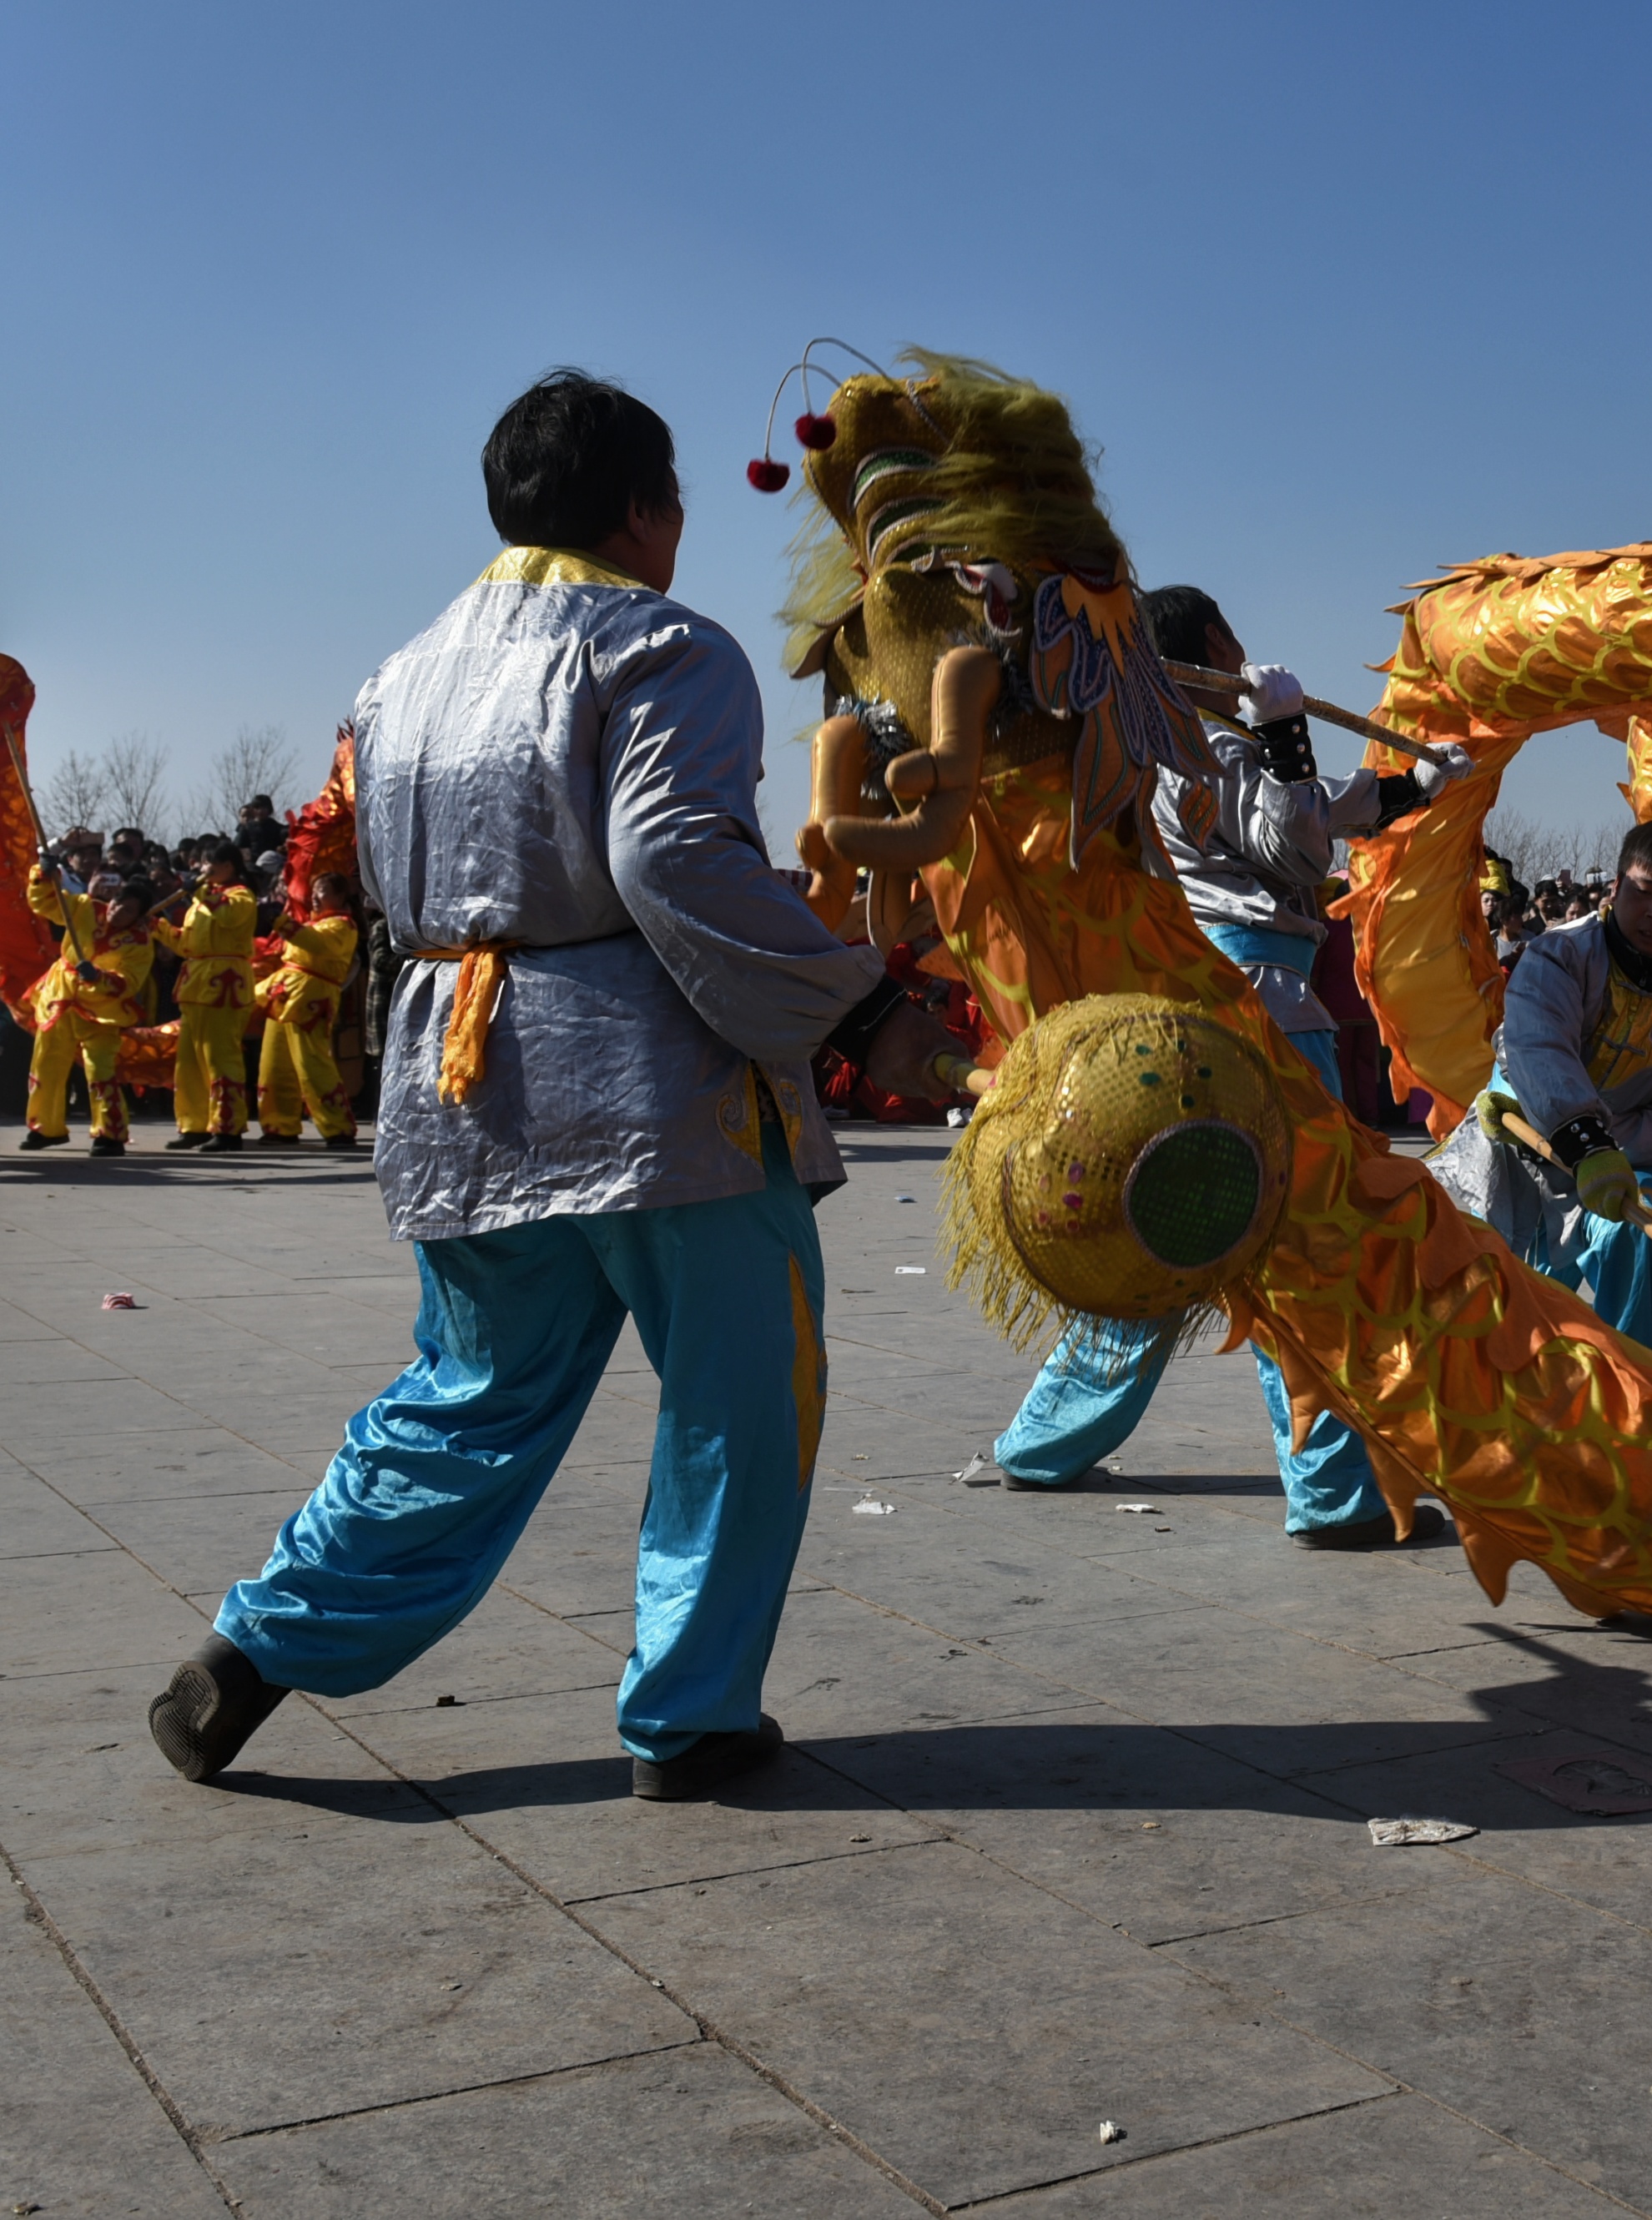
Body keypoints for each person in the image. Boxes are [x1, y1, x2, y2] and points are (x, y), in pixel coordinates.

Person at [149, 369, 954, 1800]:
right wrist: (865, 1005)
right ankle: (691, 1715)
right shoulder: (663, 646)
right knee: (738, 1397)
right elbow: (675, 859)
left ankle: (258, 1647)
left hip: (461, 1087)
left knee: (468, 1395)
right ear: (645, 510)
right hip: (661, 1102)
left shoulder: (395, 680)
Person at [965, 588, 1474, 1540]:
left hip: (1188, 1020)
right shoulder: (1212, 749)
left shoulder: (1139, 750)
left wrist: (1416, 783)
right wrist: (1283, 730)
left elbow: (1320, 812)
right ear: (1213, 644)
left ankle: (1043, 1441)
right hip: (1261, 1014)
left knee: (1169, 1234)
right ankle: (1333, 1490)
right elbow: (1295, 841)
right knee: (1308, 1247)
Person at [1433, 816, 1652, 1353]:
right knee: (1461, 1277)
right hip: (1517, 1135)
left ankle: (1634, 1377)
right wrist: (1582, 1139)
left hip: (1624, 1158)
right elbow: (1539, 1050)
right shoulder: (1560, 955)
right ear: (1616, 887)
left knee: (1646, 1230)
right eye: (1644, 891)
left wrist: (1608, 1149)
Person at [20, 859, 153, 1153]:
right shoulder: (85, 907)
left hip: (102, 1011)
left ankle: (110, 1133)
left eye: (128, 910)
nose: (118, 911)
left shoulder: (140, 942)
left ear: (139, 916)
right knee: (47, 1062)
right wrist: (44, 875)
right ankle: (45, 1127)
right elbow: (44, 903)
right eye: (117, 903)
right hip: (61, 997)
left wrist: (99, 978)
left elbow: (129, 982)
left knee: (99, 1069)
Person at [152, 843, 259, 1149]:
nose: (203, 869)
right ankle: (194, 1124)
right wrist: (158, 928)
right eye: (202, 863)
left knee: (220, 1056)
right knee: (188, 1061)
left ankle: (228, 1127)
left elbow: (228, 916)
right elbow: (187, 945)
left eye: (211, 863)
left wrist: (198, 893)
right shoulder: (200, 903)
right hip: (195, 984)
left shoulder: (241, 896)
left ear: (229, 866)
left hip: (224, 985)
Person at [252, 871, 363, 1148]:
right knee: (274, 1063)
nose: (315, 897)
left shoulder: (343, 926)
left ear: (340, 896)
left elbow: (315, 943)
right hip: (284, 995)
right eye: (313, 891)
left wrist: (281, 922)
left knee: (311, 1063)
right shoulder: (312, 923)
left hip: (311, 1000)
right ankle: (280, 1125)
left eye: (322, 890)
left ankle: (337, 1127)